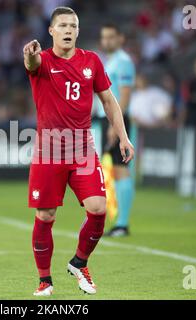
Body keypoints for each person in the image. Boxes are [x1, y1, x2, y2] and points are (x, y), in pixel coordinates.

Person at [24, 7, 134, 296]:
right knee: (46, 215)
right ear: (52, 31)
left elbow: (109, 102)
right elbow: (31, 62)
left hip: (82, 149)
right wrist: (30, 53)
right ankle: (44, 281)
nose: (69, 30)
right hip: (49, 151)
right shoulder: (43, 60)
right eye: (62, 25)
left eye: (73, 25)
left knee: (98, 209)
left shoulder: (92, 61)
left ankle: (79, 262)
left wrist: (123, 136)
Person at [95, 23, 136, 237]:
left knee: (121, 169)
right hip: (107, 120)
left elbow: (125, 96)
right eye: (104, 37)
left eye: (111, 37)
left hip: (116, 121)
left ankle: (123, 223)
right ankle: (117, 221)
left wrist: (115, 126)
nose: (107, 41)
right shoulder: (110, 61)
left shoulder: (124, 62)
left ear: (121, 38)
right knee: (111, 169)